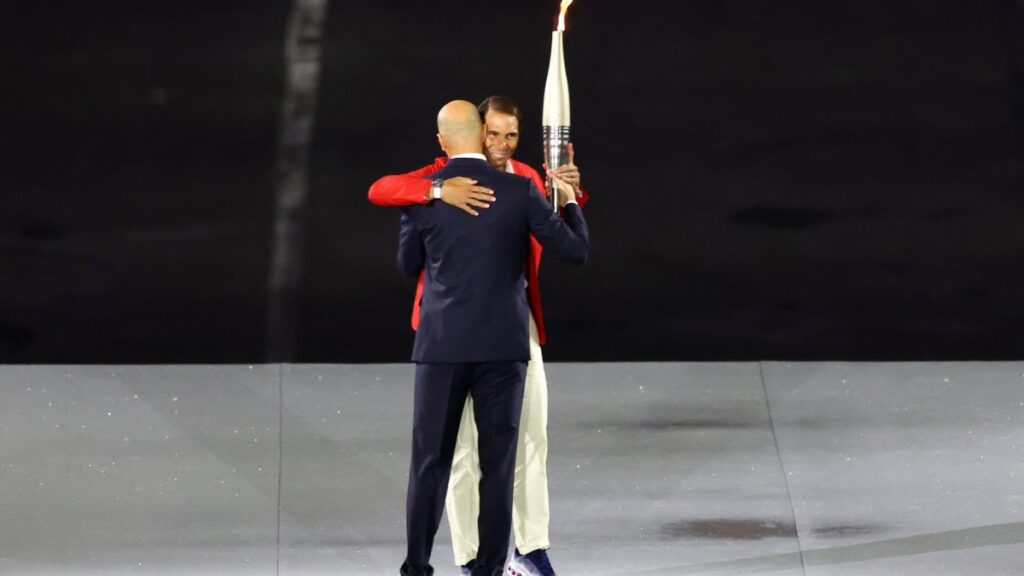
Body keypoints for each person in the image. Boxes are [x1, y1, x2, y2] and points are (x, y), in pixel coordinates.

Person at [369, 95, 587, 576]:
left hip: (509, 326)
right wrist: (435, 192)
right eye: (493, 134)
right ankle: (473, 558)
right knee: (467, 454)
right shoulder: (438, 175)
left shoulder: (523, 180)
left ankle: (530, 549)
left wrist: (569, 190)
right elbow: (384, 189)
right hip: (468, 331)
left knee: (528, 440)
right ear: (475, 132)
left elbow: (550, 221)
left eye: (511, 135)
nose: (502, 144)